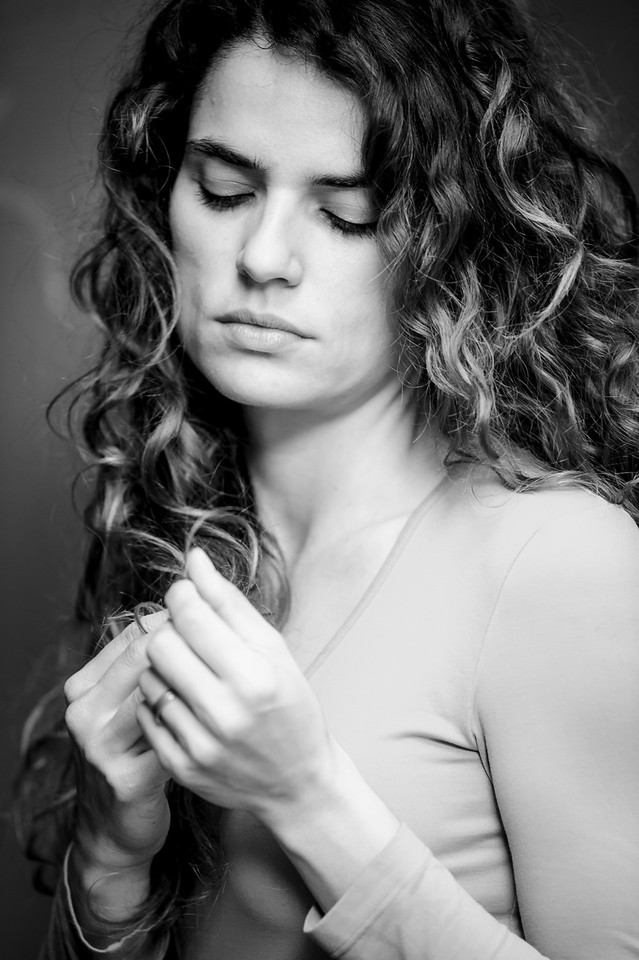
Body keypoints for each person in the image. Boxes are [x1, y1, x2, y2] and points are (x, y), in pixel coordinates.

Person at [15, 0, 639, 957]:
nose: (263, 258)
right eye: (224, 191)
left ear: (449, 239)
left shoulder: (560, 564)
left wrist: (306, 797)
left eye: (348, 213)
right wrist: (107, 862)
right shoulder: (177, 519)